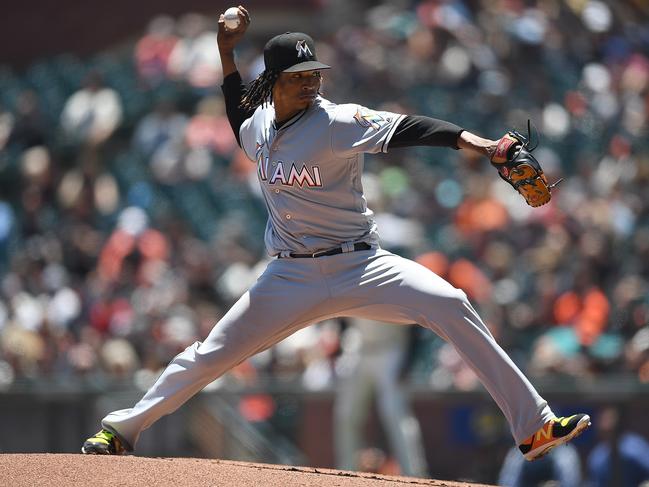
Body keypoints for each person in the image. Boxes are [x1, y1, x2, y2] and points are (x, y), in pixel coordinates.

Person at [82, 5, 590, 464]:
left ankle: (535, 426)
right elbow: (237, 108)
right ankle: (122, 430)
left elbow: (414, 127)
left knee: (451, 302)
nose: (312, 83)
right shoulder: (258, 127)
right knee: (209, 354)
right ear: (273, 82)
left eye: (315, 74)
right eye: (300, 77)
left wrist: (487, 148)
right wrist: (224, 50)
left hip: (363, 266)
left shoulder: (337, 121)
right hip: (288, 276)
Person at [334, 319, 427, 477]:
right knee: (346, 413)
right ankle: (346, 471)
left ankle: (414, 474)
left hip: (392, 349)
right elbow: (341, 318)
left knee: (394, 413)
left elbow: (416, 326)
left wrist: (408, 360)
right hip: (360, 349)